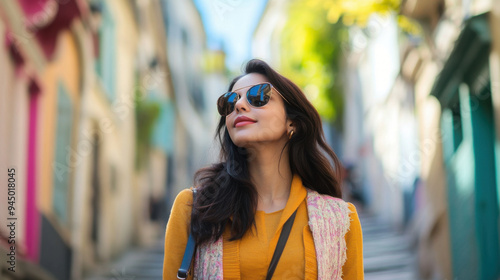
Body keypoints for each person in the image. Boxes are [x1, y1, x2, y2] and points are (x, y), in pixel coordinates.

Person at [163, 59, 364, 279]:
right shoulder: (194, 208)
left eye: (258, 96)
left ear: (292, 123)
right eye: (230, 102)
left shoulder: (341, 220)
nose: (239, 105)